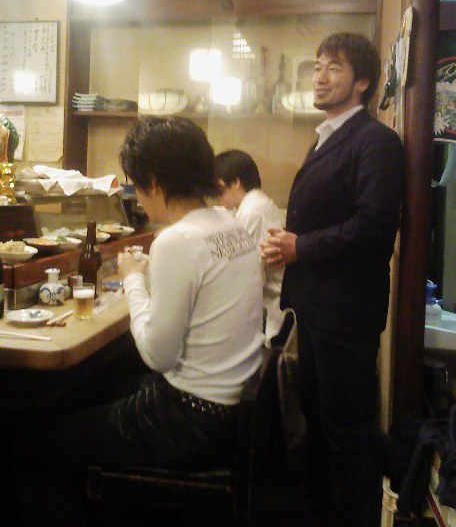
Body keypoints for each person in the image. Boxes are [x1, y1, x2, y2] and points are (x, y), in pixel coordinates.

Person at [13, 117, 264, 527]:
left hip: (190, 419)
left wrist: (132, 278)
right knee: (94, 394)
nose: (139, 198)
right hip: (230, 413)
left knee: (36, 443)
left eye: (136, 185)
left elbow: (157, 355)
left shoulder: (178, 240)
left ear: (154, 182)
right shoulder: (232, 227)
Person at [260, 33, 404, 527]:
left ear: (362, 82)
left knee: (348, 435)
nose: (319, 76)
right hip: (319, 308)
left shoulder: (376, 141)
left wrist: (300, 246)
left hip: (347, 314)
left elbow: (375, 225)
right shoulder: (327, 135)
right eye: (317, 66)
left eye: (334, 68)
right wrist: (289, 243)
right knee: (320, 425)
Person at [214, 149, 285, 342]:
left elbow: (249, 273)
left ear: (235, 183)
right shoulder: (254, 203)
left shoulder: (252, 211)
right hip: (269, 301)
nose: (215, 194)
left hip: (273, 307)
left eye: (218, 187)